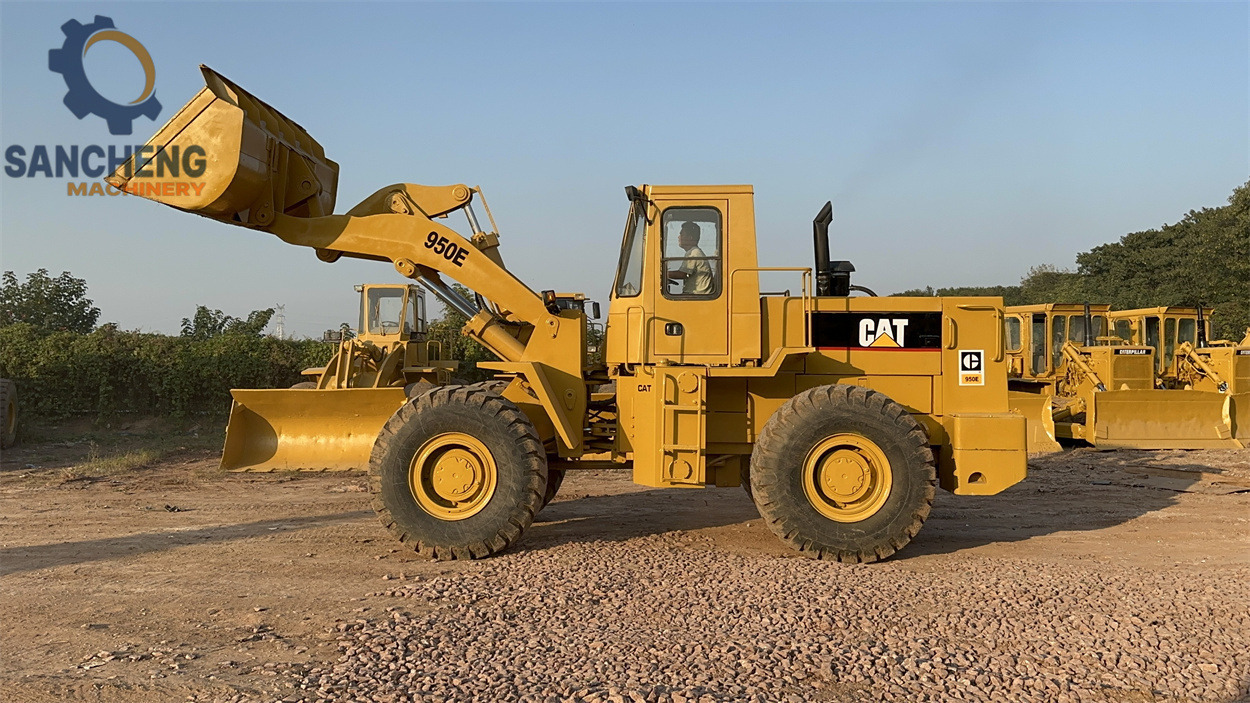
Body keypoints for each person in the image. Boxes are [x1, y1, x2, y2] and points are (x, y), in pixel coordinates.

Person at [667, 221, 714, 295]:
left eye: (682, 234)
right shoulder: (693, 252)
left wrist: (662, 274)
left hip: (698, 296)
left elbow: (682, 274)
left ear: (690, 238)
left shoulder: (694, 253)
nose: (679, 237)